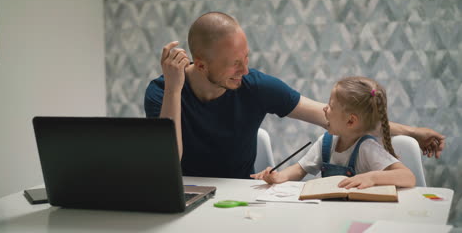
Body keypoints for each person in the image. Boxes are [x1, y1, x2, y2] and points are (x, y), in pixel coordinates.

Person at [144, 11, 445, 179]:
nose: (245, 70)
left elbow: (337, 120)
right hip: (186, 195)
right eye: (235, 64)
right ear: (201, 63)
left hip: (238, 197)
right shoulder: (162, 91)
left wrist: (412, 132)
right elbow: (168, 163)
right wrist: (174, 88)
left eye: (246, 58)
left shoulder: (255, 86)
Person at [251, 76, 416, 189]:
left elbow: (408, 177)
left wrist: (372, 178)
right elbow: (301, 169)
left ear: (350, 121)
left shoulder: (367, 148)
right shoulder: (327, 141)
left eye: (330, 106)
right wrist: (279, 177)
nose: (324, 108)